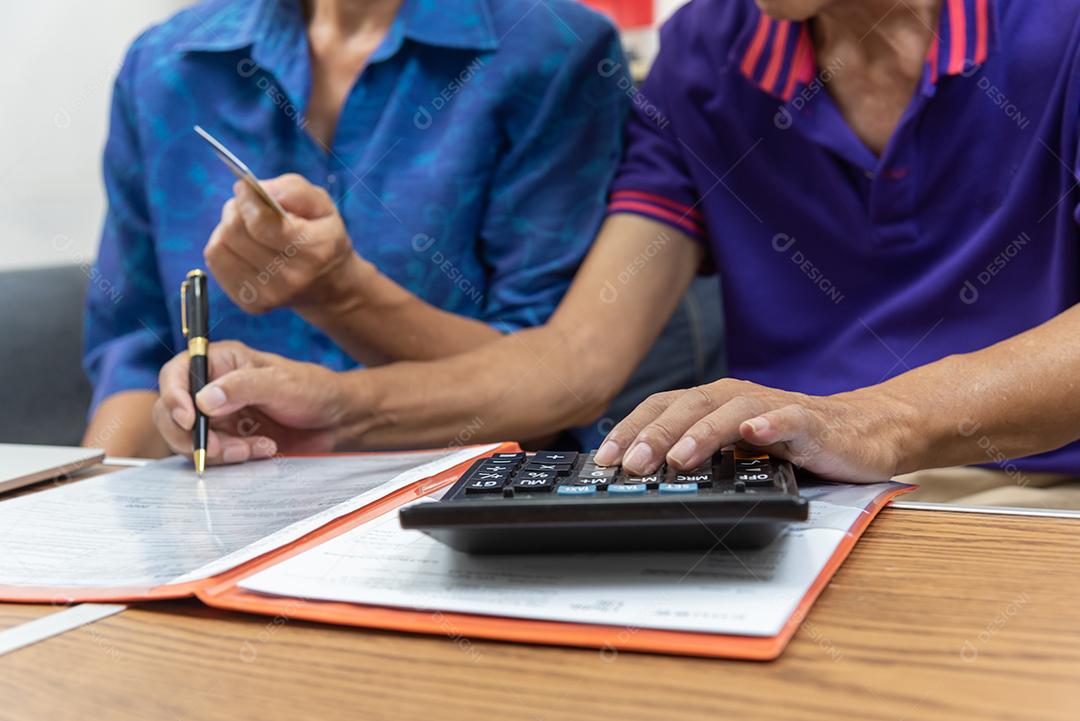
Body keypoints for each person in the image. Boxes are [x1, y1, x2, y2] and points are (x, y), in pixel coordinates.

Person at [154, 0, 1080, 507]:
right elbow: (573, 367)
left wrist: (874, 421)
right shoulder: (702, 57)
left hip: (1036, 501)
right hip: (791, 514)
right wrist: (338, 412)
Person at [81, 0, 725, 460]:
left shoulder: (550, 47)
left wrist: (339, 294)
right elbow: (134, 362)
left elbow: (544, 392)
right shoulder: (164, 65)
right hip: (214, 518)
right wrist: (75, 530)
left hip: (446, 510)